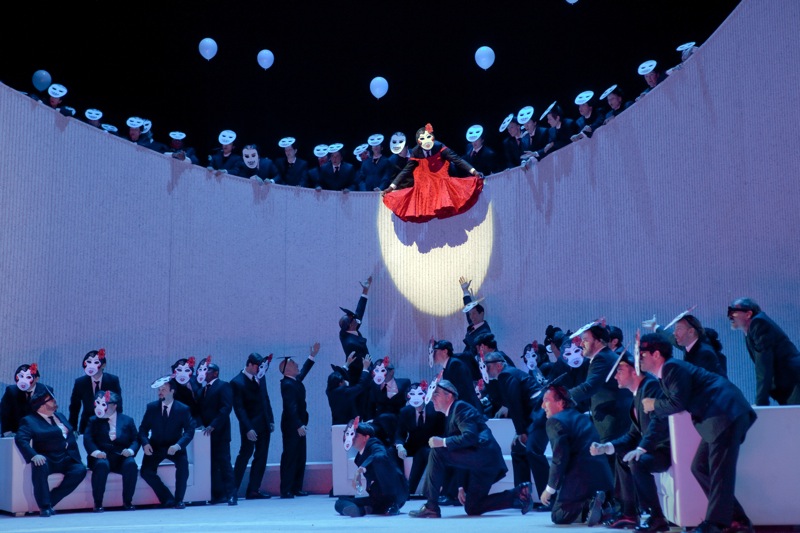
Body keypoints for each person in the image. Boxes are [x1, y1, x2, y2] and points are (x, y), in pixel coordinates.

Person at [641, 333, 757, 533]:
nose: (639, 358)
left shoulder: (672, 367)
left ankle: (716, 523)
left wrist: (654, 404)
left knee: (720, 472)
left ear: (656, 354)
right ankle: (737, 521)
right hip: (719, 416)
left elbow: (678, 403)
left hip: (725, 414)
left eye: (642, 354)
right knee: (700, 467)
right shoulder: (668, 371)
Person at [407, 379, 533, 518]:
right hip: (484, 463)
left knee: (437, 451)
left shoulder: (460, 408)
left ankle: (431, 506)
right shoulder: (453, 413)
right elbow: (460, 447)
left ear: (449, 395)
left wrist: (442, 441)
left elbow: (470, 437)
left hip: (483, 456)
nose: (432, 399)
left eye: (436, 395)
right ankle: (519, 494)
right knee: (472, 507)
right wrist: (460, 486)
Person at [590, 352, 671, 531]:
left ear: (634, 371)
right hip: (654, 447)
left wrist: (641, 449)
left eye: (620, 370)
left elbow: (658, 422)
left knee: (637, 461)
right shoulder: (638, 394)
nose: (616, 376)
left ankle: (656, 517)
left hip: (665, 448)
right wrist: (607, 447)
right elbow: (633, 435)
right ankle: (629, 513)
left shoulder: (650, 387)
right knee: (623, 455)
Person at [539, 385, 613, 526]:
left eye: (546, 400)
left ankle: (590, 506)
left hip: (580, 479)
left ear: (560, 402)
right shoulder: (582, 417)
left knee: (558, 516)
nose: (542, 406)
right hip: (602, 477)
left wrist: (549, 489)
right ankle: (602, 505)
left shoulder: (555, 421)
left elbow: (559, 459)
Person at [483, 351, 550, 505]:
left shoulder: (507, 375)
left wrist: (521, 432)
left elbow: (515, 405)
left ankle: (548, 498)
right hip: (535, 416)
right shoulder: (507, 375)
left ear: (498, 365)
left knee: (533, 451)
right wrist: (519, 432)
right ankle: (522, 496)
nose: (485, 369)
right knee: (518, 451)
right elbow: (511, 403)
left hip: (539, 415)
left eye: (487, 366)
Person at [382, 123, 484, 223]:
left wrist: (474, 171)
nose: (426, 142)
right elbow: (406, 171)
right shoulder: (416, 152)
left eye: (428, 137)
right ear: (418, 142)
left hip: (441, 183)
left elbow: (457, 160)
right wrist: (391, 187)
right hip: (425, 186)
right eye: (422, 139)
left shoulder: (439, 146)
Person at [15, 386, 87, 517]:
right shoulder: (29, 420)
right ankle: (44, 507)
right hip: (48, 457)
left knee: (80, 470)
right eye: (51, 400)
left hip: (66, 457)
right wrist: (34, 455)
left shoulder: (60, 416)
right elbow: (21, 439)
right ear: (42, 405)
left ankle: (51, 499)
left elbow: (69, 436)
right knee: (40, 466)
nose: (55, 401)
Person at [728, 298, 800, 405]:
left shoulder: (759, 324)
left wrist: (760, 403)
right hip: (789, 384)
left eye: (734, 312)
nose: (730, 316)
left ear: (748, 314)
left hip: (794, 383)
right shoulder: (752, 328)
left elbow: (763, 366)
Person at [138, 376, 196, 509]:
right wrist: (145, 443)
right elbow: (143, 429)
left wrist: (178, 445)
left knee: (183, 468)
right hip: (156, 446)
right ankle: (167, 498)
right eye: (159, 390)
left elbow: (189, 431)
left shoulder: (183, 409)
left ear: (172, 391)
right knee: (146, 471)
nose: (160, 392)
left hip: (175, 446)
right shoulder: (152, 408)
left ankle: (179, 500)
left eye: (163, 389)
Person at [335, 419, 408, 517]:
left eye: (355, 435)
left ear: (366, 437)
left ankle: (391, 505)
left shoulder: (374, 444)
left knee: (379, 459)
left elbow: (380, 455)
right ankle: (363, 510)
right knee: (340, 502)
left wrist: (360, 469)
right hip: (378, 497)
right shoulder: (359, 457)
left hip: (394, 495)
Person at [83, 391, 139, 512]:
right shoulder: (93, 420)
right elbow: (88, 439)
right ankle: (98, 503)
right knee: (101, 465)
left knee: (131, 464)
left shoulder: (127, 420)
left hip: (121, 456)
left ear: (114, 405)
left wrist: (130, 450)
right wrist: (96, 453)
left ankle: (128, 501)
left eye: (105, 404)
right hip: (102, 456)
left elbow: (136, 439)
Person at [231, 353, 275, 500]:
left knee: (261, 456)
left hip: (264, 423)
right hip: (249, 425)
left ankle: (254, 489)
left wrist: (271, 419)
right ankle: (233, 490)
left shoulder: (261, 378)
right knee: (245, 455)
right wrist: (248, 428)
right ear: (249, 364)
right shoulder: (237, 382)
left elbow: (265, 399)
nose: (260, 370)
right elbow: (239, 408)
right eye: (257, 366)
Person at [278, 342, 319, 499]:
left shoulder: (294, 381)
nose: (297, 366)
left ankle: (296, 487)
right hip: (292, 426)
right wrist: (298, 424)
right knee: (290, 456)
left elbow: (303, 372)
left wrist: (312, 356)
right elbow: (291, 407)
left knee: (300, 455)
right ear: (287, 370)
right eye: (294, 364)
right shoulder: (287, 384)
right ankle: (286, 489)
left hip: (300, 424)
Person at [394, 381, 446, 495]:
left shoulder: (435, 409)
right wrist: (399, 446)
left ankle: (412, 490)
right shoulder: (405, 411)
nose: (416, 398)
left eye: (419, 394)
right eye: (412, 394)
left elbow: (443, 431)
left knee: (424, 453)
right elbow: (400, 433)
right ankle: (397, 488)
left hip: (431, 445)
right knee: (391, 452)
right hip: (413, 445)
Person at [198, 363, 236, 505]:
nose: (205, 373)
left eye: (208, 370)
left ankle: (231, 494)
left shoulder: (223, 386)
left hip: (220, 432)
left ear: (215, 373)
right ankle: (217, 494)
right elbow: (198, 410)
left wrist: (213, 425)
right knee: (212, 465)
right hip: (206, 435)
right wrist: (202, 424)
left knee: (224, 463)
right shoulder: (202, 390)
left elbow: (226, 408)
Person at [69, 348, 123, 434]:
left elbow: (118, 405)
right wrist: (73, 429)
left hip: (107, 424)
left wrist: (117, 426)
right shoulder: (80, 383)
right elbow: (74, 407)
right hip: (87, 424)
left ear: (103, 365)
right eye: (89, 362)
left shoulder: (112, 380)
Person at [338, 276, 372, 388]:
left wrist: (365, 290)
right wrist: (370, 371)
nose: (357, 319)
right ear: (351, 325)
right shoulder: (352, 343)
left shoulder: (346, 331)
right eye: (354, 320)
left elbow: (359, 312)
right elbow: (363, 361)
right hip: (359, 376)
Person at [1, 362, 50, 436]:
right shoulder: (11, 391)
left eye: (28, 377)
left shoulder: (45, 390)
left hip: (39, 433)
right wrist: (7, 432)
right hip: (17, 432)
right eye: (21, 376)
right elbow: (4, 413)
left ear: (36, 379)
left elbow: (50, 413)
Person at [431, 340, 481, 411]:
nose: (433, 355)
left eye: (435, 351)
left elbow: (460, 390)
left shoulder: (455, 365)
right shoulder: (449, 366)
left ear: (445, 351)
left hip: (467, 408)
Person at [458, 276, 491, 380]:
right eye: (471, 314)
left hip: (477, 370)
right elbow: (468, 310)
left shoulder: (484, 332)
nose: (472, 317)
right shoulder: (474, 325)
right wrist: (465, 291)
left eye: (474, 314)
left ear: (481, 314)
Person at [326, 353, 372, 425]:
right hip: (348, 426)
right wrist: (365, 369)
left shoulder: (329, 391)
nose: (345, 381)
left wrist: (347, 364)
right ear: (340, 383)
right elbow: (361, 386)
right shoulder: (344, 392)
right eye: (343, 380)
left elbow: (338, 375)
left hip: (336, 425)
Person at [169, 357, 202, 425]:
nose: (183, 374)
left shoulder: (195, 380)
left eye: (187, 370)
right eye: (179, 370)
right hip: (178, 418)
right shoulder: (170, 384)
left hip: (196, 417)